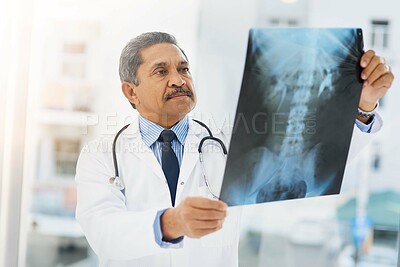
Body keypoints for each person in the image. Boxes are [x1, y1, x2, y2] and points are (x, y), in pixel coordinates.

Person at [75, 32, 394, 267]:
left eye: (183, 69)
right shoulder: (102, 155)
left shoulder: (227, 142)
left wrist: (363, 106)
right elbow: (102, 232)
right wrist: (170, 223)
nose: (178, 80)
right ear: (131, 91)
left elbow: (315, 161)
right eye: (162, 71)